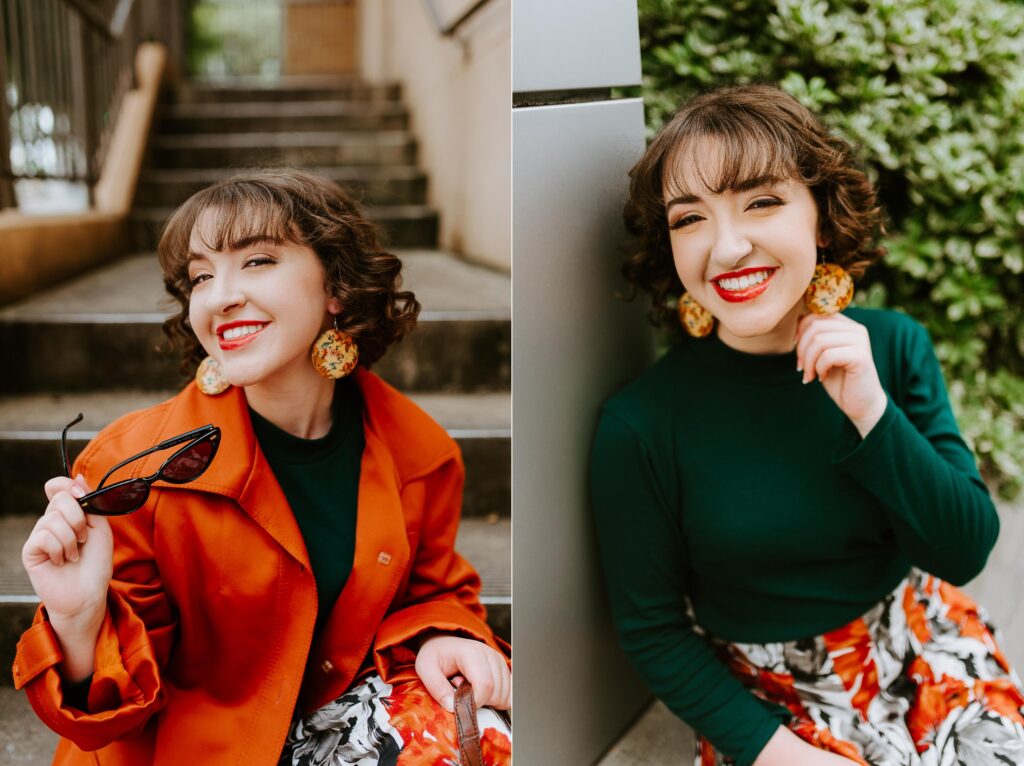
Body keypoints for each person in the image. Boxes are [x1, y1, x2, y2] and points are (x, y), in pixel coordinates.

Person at [14, 170, 512, 765]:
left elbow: (435, 591)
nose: (221, 296)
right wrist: (78, 618)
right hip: (190, 751)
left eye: (257, 261)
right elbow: (110, 714)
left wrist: (443, 637)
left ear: (337, 288)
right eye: (201, 275)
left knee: (482, 730)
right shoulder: (133, 466)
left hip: (326, 725)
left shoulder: (418, 450)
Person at [590, 84, 1024, 766]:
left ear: (820, 219)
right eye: (690, 219)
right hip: (770, 706)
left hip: (920, 646)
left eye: (761, 202)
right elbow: (652, 631)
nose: (728, 247)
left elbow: (964, 549)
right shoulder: (640, 426)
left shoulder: (895, 347)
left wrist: (870, 412)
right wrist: (787, 756)